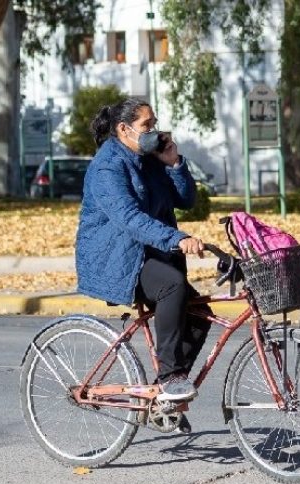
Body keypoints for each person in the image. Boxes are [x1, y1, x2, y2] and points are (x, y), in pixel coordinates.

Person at [75, 97, 212, 403]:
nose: (154, 130)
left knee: (199, 313)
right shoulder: (106, 166)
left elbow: (186, 200)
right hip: (114, 258)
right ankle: (169, 377)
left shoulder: (149, 161)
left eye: (154, 123)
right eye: (147, 125)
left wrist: (174, 163)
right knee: (171, 286)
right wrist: (177, 238)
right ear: (124, 129)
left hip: (149, 253)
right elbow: (129, 218)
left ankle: (165, 398)